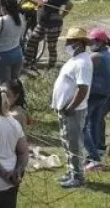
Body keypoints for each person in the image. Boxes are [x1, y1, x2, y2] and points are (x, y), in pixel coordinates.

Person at [52, 27, 93, 188]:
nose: (67, 44)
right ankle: (71, 172)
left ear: (79, 43)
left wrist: (71, 106)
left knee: (74, 143)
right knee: (66, 141)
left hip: (73, 110)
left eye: (69, 42)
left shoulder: (83, 62)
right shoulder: (76, 59)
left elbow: (82, 88)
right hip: (65, 108)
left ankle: (78, 176)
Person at [25, 0, 73, 70]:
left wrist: (62, 15)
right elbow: (39, 1)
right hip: (42, 23)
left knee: (51, 46)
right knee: (31, 41)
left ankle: (51, 68)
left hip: (53, 24)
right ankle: (28, 62)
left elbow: (69, 4)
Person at [85, 28, 110, 169]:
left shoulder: (96, 57)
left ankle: (94, 155)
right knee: (96, 121)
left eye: (92, 41)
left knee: (89, 124)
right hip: (104, 93)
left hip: (96, 94)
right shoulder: (106, 54)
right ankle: (98, 149)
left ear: (100, 42)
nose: (90, 44)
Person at [0, 0, 26, 84]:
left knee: (4, 86)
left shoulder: (1, 21)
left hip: (2, 55)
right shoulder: (20, 17)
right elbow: (22, 34)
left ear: (3, 7)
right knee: (14, 84)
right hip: (17, 52)